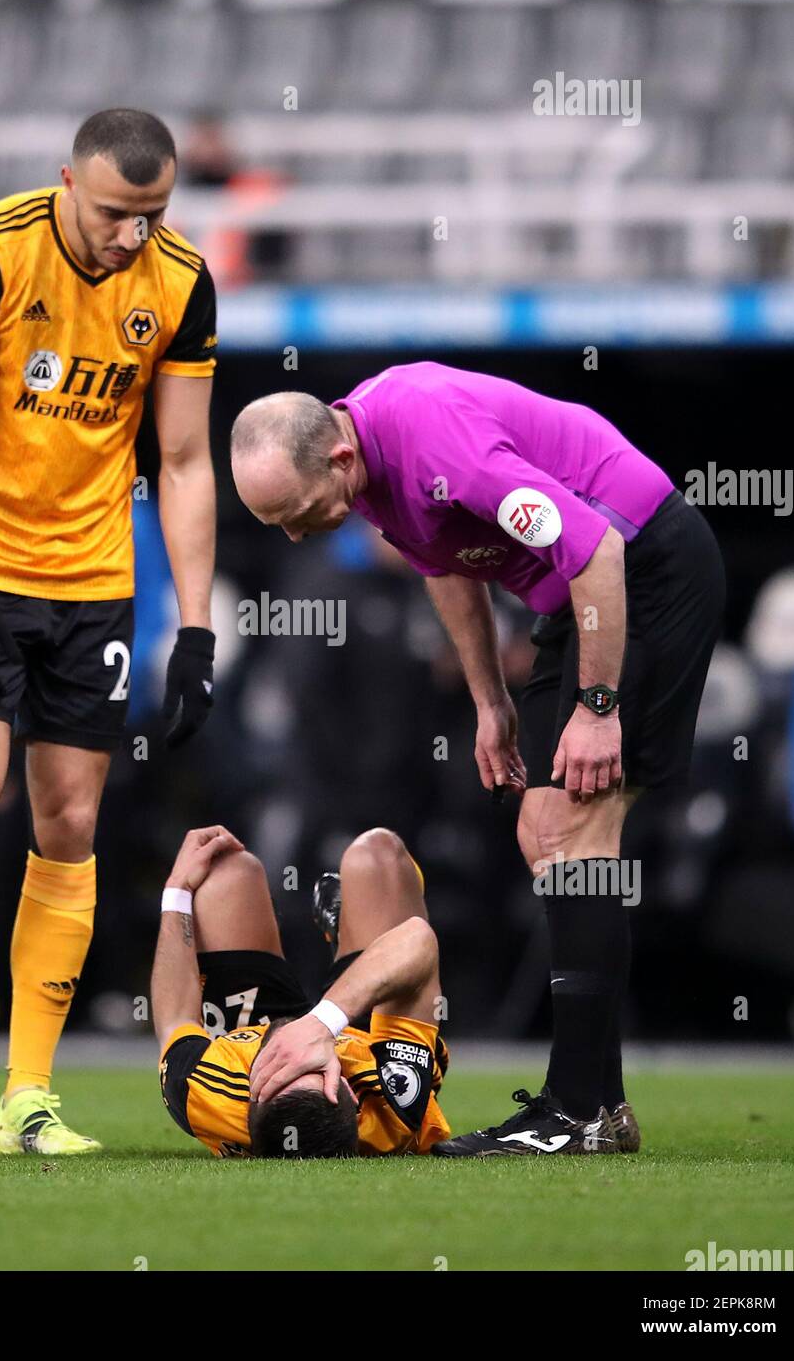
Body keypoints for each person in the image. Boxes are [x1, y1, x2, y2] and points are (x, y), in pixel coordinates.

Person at [230, 362, 726, 1156]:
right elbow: (448, 566)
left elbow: (593, 545)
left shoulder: (436, 442)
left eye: (295, 514)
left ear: (338, 460)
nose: (294, 534)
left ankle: (578, 1110)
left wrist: (599, 711)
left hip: (643, 570)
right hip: (578, 598)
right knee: (547, 835)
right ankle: (600, 1106)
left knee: (571, 830)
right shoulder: (368, 473)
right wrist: (490, 700)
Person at [0, 109, 219, 1155]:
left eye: (154, 213)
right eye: (119, 212)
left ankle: (26, 1095)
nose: (134, 235)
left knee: (69, 826)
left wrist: (196, 630)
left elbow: (186, 462)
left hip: (93, 585)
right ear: (66, 180)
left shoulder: (179, 281)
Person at [151, 825, 451, 1158]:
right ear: (351, 1097)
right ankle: (353, 942)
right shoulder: (390, 1099)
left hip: (250, 1031)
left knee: (226, 871)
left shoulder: (207, 1091)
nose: (296, 1054)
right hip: (366, 1038)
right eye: (312, 1067)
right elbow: (417, 940)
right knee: (378, 854)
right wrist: (321, 1024)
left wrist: (176, 891)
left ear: (250, 1096)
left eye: (278, 1070)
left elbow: (174, 1016)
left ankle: (349, 936)